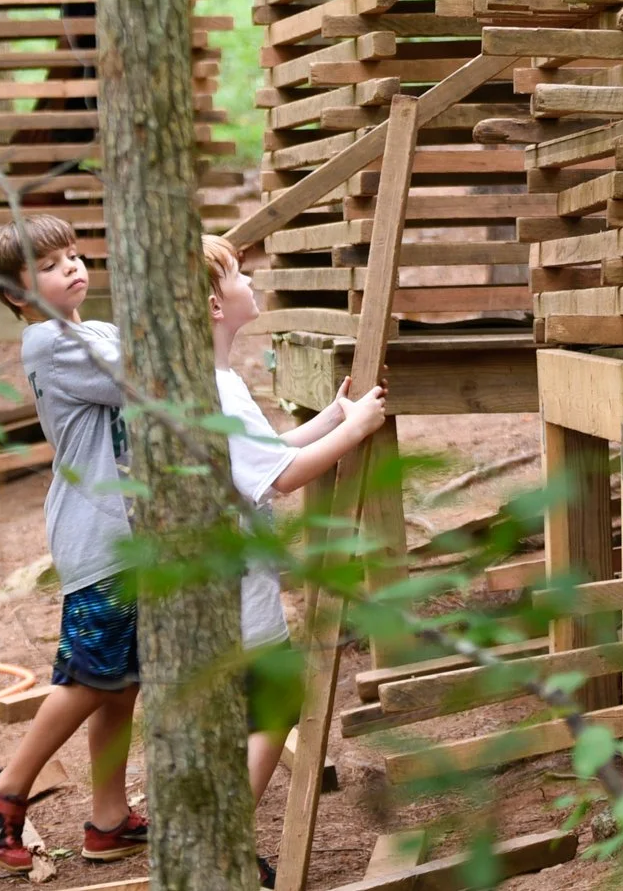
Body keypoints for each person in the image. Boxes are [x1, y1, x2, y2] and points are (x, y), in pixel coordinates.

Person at [0, 215, 148, 872]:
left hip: (126, 536)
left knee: (121, 683)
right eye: (49, 265)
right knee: (89, 676)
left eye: (74, 255)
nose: (72, 266)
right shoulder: (49, 342)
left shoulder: (88, 330)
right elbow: (147, 371)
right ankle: (7, 787)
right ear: (19, 295)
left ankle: (107, 819)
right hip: (99, 533)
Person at [199, 235, 386, 844]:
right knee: (276, 701)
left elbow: (265, 454)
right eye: (239, 276)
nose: (251, 283)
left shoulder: (209, 378)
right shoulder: (219, 390)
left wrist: (331, 419)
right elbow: (280, 478)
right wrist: (356, 429)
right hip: (234, 588)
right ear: (212, 306)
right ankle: (224, 845)